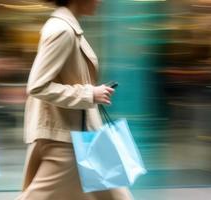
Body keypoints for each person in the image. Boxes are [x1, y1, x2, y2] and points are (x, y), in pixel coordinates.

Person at [18, 0, 133, 199]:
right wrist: (89, 94)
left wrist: (91, 92)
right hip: (66, 141)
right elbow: (37, 85)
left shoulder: (68, 27)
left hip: (80, 135)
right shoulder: (62, 30)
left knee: (117, 196)